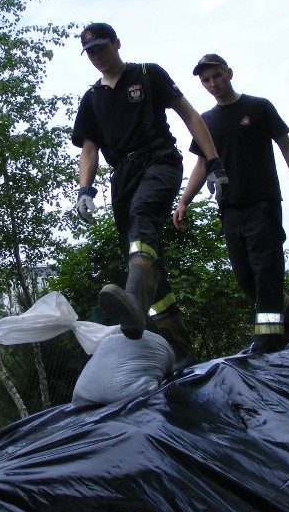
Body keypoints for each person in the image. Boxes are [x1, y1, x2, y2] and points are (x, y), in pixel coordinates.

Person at [71, 23, 228, 371]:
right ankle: (182, 350)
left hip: (159, 160)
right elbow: (89, 150)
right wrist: (84, 189)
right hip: (122, 176)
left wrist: (214, 161)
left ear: (117, 44)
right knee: (148, 263)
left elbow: (190, 114)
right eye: (91, 52)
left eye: (102, 47)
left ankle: (133, 303)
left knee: (143, 214)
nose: (97, 56)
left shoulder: (147, 74)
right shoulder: (92, 99)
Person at [173, 54, 289, 354]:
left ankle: (268, 339)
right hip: (230, 207)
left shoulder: (258, 107)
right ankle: (287, 314)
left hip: (262, 203)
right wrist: (184, 201)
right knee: (245, 276)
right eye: (206, 80)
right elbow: (202, 165)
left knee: (266, 271)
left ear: (229, 73)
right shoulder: (206, 121)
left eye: (217, 76)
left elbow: (286, 146)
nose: (213, 83)